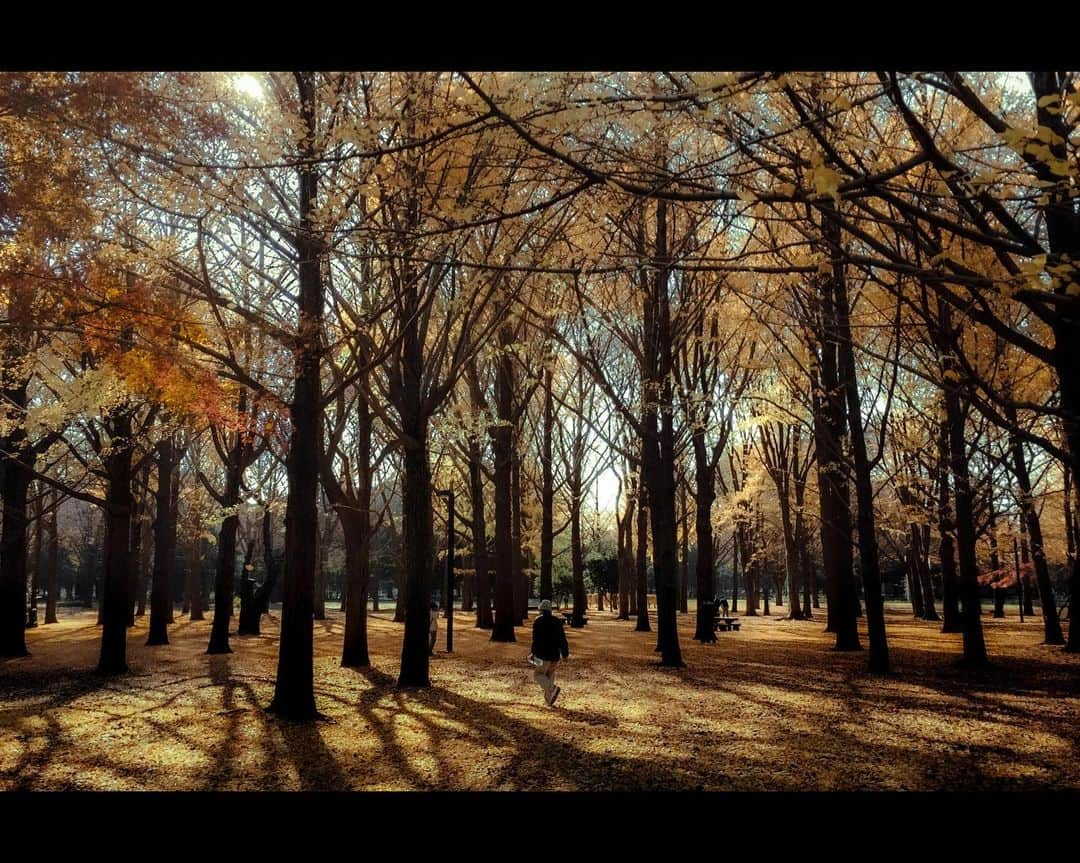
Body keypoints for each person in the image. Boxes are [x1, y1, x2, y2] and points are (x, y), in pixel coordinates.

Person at [529, 599, 569, 706]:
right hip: (555, 655)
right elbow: (562, 639)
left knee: (538, 675)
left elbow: (535, 639)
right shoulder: (557, 621)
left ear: (541, 610)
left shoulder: (538, 621)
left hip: (542, 654)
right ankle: (549, 701)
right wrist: (565, 654)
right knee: (549, 675)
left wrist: (533, 652)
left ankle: (552, 689)